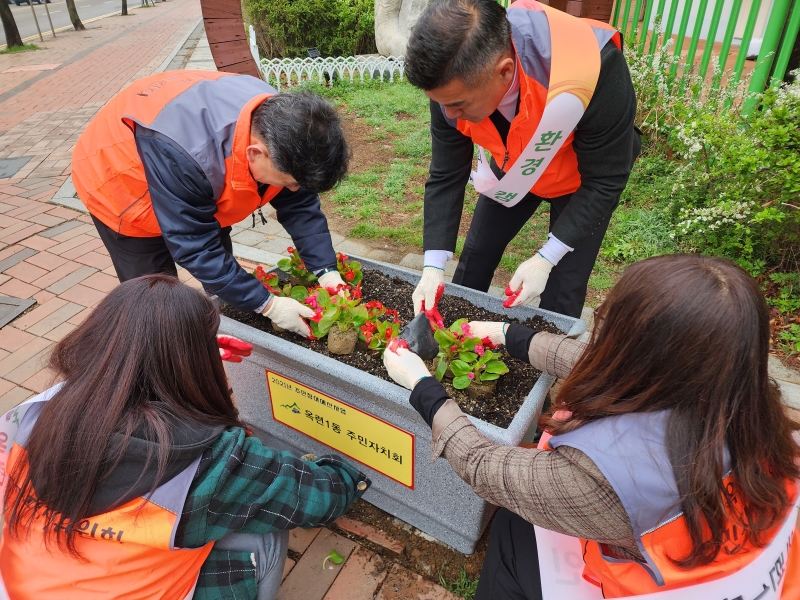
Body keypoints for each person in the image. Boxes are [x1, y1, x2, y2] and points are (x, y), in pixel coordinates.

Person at [383, 255, 800, 599]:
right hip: (735, 564)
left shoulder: (612, 480)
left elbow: (483, 465)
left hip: (659, 586)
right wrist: (509, 335)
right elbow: (612, 367)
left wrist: (422, 386)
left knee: (513, 526)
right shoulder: (744, 403)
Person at [0, 275, 369, 599]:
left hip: (21, 586)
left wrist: (185, 362)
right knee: (267, 528)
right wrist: (347, 474)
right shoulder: (208, 462)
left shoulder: (35, 415)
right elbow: (322, 497)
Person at [405, 0, 641, 319]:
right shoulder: (450, 83)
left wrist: (546, 257)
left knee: (563, 288)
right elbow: (447, 174)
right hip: (517, 170)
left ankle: (545, 358)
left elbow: (605, 180)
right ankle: (453, 332)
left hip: (581, 183)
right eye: (440, 104)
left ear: (503, 71)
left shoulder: (596, 66)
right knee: (477, 255)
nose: (449, 115)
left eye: (458, 105)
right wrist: (432, 267)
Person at [72, 70, 351, 338]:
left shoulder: (286, 128)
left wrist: (326, 270)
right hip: (121, 182)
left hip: (190, 160)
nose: (293, 189)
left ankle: (221, 308)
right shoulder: (187, 155)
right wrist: (269, 305)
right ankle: (161, 366)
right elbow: (194, 245)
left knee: (217, 256)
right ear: (255, 153)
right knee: (152, 295)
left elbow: (299, 204)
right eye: (289, 182)